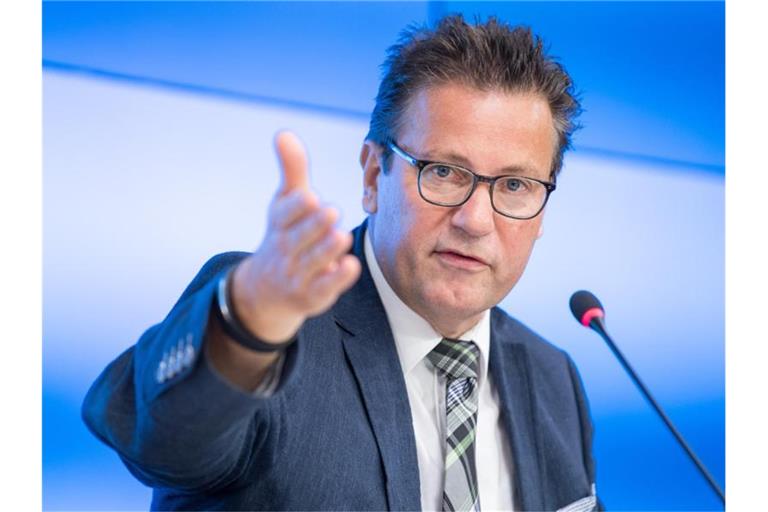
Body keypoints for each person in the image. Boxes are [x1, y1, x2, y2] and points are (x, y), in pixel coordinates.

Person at [83, 14, 600, 512]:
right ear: (374, 176)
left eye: (514, 185)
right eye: (444, 172)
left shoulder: (552, 376)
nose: (476, 220)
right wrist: (246, 324)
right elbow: (163, 441)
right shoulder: (269, 324)